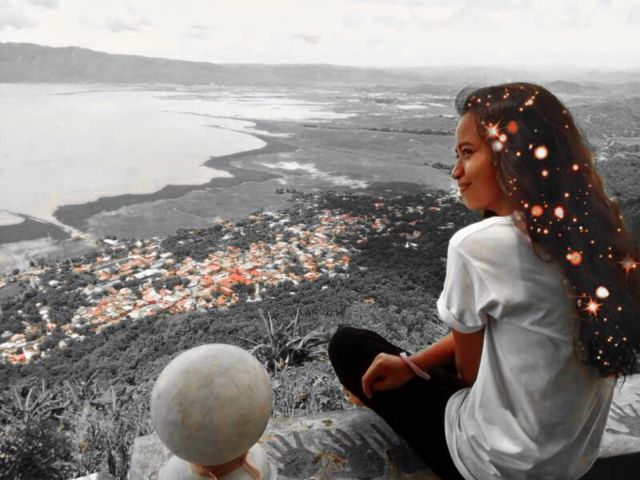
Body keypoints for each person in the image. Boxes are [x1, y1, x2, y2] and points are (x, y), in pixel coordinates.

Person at [328, 82, 640, 479]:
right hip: (572, 460)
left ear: (513, 155)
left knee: (350, 346)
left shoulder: (477, 245)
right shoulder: (594, 238)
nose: (456, 171)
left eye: (467, 153)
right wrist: (414, 363)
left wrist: (410, 368)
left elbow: (469, 374)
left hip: (491, 464)